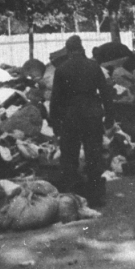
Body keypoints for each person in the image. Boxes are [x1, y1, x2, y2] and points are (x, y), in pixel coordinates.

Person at [49, 35, 114, 208]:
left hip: (71, 117)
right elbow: (105, 92)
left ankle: (73, 195)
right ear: (82, 48)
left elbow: (55, 99)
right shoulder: (94, 67)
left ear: (68, 50)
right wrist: (110, 115)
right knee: (94, 155)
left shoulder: (61, 69)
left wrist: (54, 123)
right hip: (92, 115)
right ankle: (95, 197)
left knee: (70, 156)